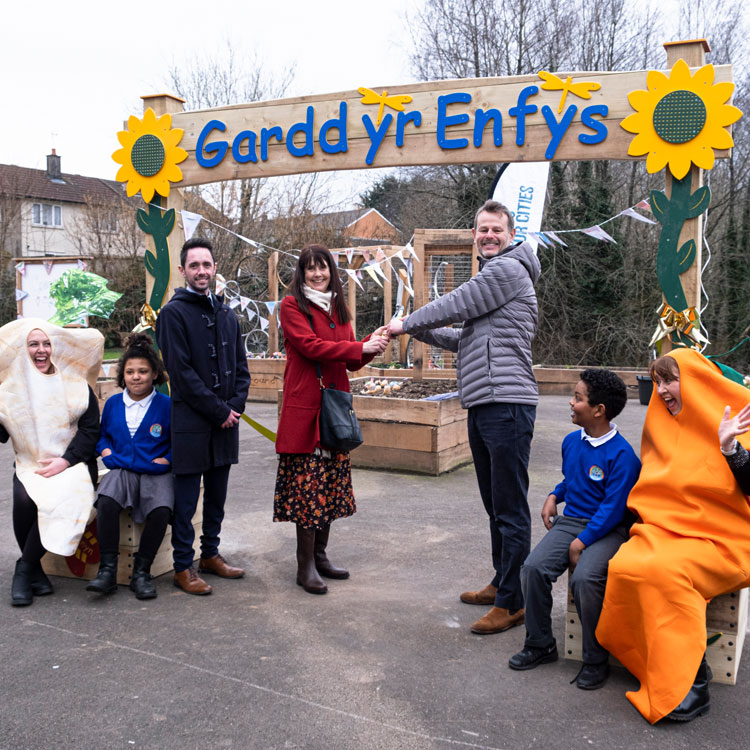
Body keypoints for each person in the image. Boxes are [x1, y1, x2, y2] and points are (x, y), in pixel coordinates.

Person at [389, 200, 541, 634]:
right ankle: (501, 582)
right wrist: (419, 329)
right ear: (474, 234)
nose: (488, 236)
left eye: (496, 229)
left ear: (510, 235)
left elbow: (456, 303)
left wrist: (406, 323)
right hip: (484, 402)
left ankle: (514, 602)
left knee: (510, 508)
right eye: (482, 230)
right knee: (496, 506)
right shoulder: (493, 279)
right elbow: (464, 337)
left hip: (507, 404)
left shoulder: (507, 271)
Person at [596, 349, 750, 723]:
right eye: (658, 381)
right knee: (627, 564)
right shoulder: (660, 423)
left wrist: (731, 448)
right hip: (666, 530)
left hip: (726, 539)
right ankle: (659, 664)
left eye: (670, 379)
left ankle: (690, 684)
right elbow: (650, 484)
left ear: (696, 381)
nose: (662, 390)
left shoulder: (739, 420)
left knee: (665, 573)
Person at [508, 369, 640, 690]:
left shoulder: (623, 456)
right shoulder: (571, 442)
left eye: (578, 398)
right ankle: (540, 644)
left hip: (608, 531)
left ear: (599, 410)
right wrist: (555, 495)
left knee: (585, 579)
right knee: (533, 568)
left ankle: (595, 658)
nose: (571, 402)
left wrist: (583, 541)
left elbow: (613, 509)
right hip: (572, 522)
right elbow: (573, 479)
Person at [274, 244, 389, 595]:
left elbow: (351, 361)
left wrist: (374, 341)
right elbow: (310, 346)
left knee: (328, 488)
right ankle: (304, 565)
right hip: (305, 410)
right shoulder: (291, 306)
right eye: (310, 268)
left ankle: (320, 557)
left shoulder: (341, 310)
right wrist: (359, 348)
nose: (317, 274)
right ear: (301, 273)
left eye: (322, 267)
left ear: (331, 271)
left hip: (334, 410)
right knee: (308, 490)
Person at [156, 237, 251, 596]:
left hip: (225, 424)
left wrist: (236, 407)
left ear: (214, 268)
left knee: (217, 495)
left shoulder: (227, 314)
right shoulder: (172, 314)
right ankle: (183, 566)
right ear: (182, 270)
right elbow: (180, 374)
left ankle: (210, 554)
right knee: (186, 500)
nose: (201, 271)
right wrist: (220, 411)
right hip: (193, 424)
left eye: (206, 265)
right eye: (194, 265)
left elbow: (242, 369)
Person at [0, 319, 102, 606]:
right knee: (23, 499)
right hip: (31, 463)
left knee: (67, 498)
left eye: (47, 344)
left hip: (74, 464)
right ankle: (35, 572)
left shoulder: (75, 384)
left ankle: (24, 569)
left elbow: (90, 431)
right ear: (23, 349)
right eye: (34, 344)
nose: (41, 350)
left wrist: (65, 461)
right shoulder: (9, 390)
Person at [86, 333, 173, 600]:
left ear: (155, 374)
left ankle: (141, 572)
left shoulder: (167, 405)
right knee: (106, 502)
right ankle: (108, 570)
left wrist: (169, 458)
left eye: (143, 372)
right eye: (130, 372)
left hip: (154, 470)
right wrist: (106, 450)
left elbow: (179, 439)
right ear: (122, 375)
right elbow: (102, 436)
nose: (136, 377)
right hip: (121, 467)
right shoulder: (113, 404)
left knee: (161, 509)